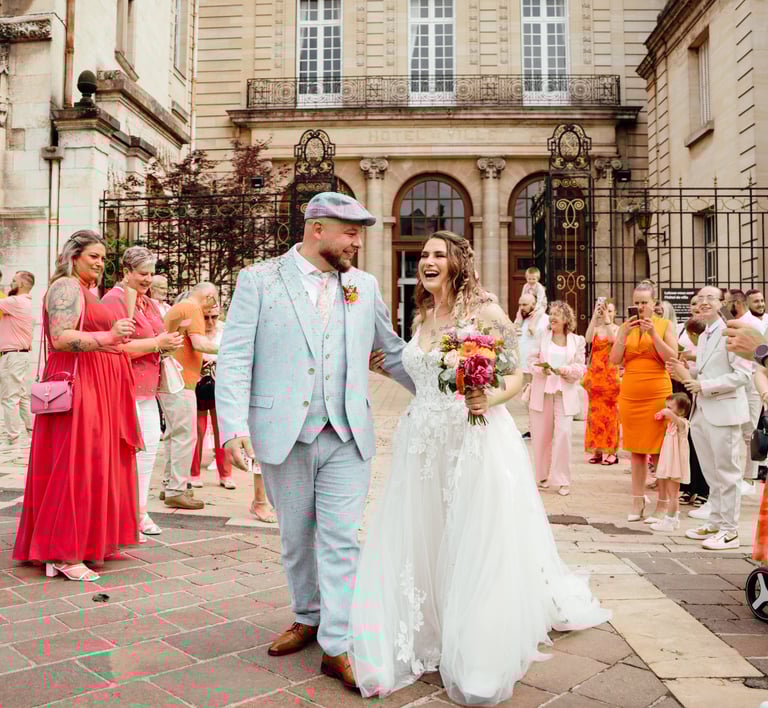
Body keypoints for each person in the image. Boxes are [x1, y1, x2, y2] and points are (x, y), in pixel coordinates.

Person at [349, 231, 610, 705]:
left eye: (437, 254)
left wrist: (488, 396)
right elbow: (427, 376)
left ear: (457, 261)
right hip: (421, 442)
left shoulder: (485, 312)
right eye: (423, 254)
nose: (427, 261)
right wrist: (387, 370)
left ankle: (477, 643)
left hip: (471, 437)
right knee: (425, 531)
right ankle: (425, 627)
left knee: (473, 532)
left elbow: (516, 372)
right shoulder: (424, 312)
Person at [216, 192, 415, 689]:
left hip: (348, 433)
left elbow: (389, 352)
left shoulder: (363, 286)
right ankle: (308, 615)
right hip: (282, 430)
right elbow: (236, 357)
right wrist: (233, 427)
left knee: (342, 536)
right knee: (295, 537)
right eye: (350, 232)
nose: (357, 242)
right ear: (317, 229)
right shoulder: (258, 280)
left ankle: (338, 643)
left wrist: (447, 390)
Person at [12, 231, 140, 581]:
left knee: (89, 466)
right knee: (72, 468)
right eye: (93, 256)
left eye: (103, 256)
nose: (100, 262)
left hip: (93, 384)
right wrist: (109, 337)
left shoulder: (85, 289)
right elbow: (61, 338)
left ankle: (81, 543)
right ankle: (61, 553)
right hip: (75, 385)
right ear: (74, 255)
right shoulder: (66, 287)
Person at [102, 247, 183, 539]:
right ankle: (119, 515)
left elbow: (155, 339)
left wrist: (168, 342)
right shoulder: (114, 300)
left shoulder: (147, 302)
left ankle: (139, 512)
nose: (148, 279)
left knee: (149, 452)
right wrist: (156, 343)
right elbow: (112, 347)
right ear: (126, 272)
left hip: (148, 388)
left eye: (151, 273)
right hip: (122, 388)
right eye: (143, 273)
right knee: (123, 456)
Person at [668, 286, 751, 550]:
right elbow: (704, 372)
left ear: (722, 303)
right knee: (712, 472)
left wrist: (703, 386)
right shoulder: (704, 335)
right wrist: (686, 373)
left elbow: (742, 376)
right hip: (702, 410)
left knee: (727, 474)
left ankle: (730, 531)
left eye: (710, 299)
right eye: (700, 299)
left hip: (724, 411)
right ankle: (715, 522)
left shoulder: (733, 332)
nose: (703, 303)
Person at [611, 283, 678, 521]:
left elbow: (673, 357)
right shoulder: (625, 327)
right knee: (636, 451)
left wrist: (653, 335)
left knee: (659, 450)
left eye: (644, 302)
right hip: (630, 394)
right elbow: (614, 360)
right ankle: (637, 501)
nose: (640, 307)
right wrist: (621, 336)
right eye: (637, 302)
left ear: (654, 303)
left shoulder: (664, 325)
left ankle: (662, 504)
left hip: (656, 392)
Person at [158, 282, 220, 510]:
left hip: (173, 378)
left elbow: (186, 345)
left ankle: (169, 486)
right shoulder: (193, 308)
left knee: (175, 435)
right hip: (180, 381)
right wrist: (231, 349)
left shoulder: (182, 307)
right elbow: (199, 343)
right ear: (210, 297)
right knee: (186, 436)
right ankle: (177, 489)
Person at [528, 301, 586, 496]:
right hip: (542, 391)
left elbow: (581, 367)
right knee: (541, 436)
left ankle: (562, 480)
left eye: (557, 315)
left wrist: (567, 370)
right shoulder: (541, 336)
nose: (552, 317)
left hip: (564, 392)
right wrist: (540, 368)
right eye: (551, 314)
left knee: (563, 434)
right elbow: (531, 361)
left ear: (566, 319)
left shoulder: (577, 341)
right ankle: (542, 476)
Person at [723, 289, 764, 495]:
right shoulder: (736, 323)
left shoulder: (753, 324)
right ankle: (743, 476)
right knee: (740, 432)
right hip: (742, 383)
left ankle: (749, 478)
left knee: (750, 433)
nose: (725, 306)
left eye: (727, 302)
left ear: (736, 304)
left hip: (754, 385)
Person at [646, 393, 691, 531]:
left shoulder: (682, 423)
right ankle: (673, 519)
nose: (667, 410)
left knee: (673, 494)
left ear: (681, 411)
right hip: (670, 461)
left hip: (676, 463)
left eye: (670, 407)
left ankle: (669, 520)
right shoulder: (671, 424)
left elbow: (677, 421)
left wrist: (667, 413)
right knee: (672, 493)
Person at [583, 298, 620, 465]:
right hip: (595, 376)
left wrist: (606, 320)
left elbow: (614, 342)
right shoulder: (597, 329)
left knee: (610, 415)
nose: (607, 313)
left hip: (610, 374)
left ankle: (612, 452)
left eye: (610, 311)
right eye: (605, 310)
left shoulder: (617, 329)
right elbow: (588, 339)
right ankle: (597, 450)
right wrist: (594, 316)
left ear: (615, 313)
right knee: (595, 414)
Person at [0, 271, 35, 445]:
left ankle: (13, 438)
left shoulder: (14, 302)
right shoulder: (26, 302)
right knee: (22, 396)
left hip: (12, 356)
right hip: (22, 355)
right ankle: (32, 432)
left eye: (13, 280)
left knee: (9, 399)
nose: (9, 283)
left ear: (21, 284)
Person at [514, 291, 549, 439]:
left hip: (536, 366)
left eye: (525, 304)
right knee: (527, 399)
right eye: (520, 304)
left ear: (534, 305)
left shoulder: (545, 320)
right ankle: (532, 428)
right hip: (523, 366)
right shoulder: (522, 320)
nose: (521, 307)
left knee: (538, 400)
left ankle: (542, 429)